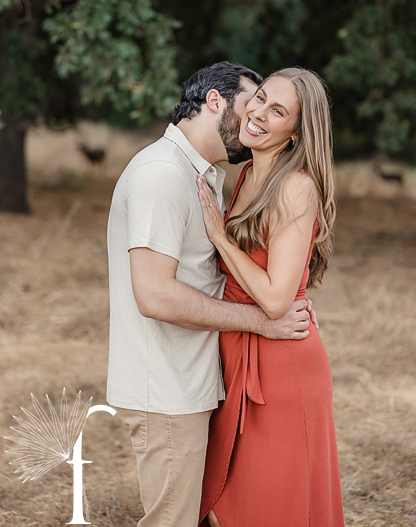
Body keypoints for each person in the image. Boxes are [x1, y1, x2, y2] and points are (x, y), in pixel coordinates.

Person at [107, 62, 314, 527]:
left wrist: (276, 290)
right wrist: (263, 321)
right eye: (251, 104)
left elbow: (211, 274)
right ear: (215, 103)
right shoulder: (161, 174)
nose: (254, 119)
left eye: (270, 108)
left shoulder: (202, 176)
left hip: (194, 382)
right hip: (165, 387)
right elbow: (155, 295)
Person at [197, 68, 344, 527]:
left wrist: (220, 238)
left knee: (273, 505)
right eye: (259, 98)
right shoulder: (244, 176)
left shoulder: (297, 188)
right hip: (238, 352)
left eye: (277, 110)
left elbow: (278, 300)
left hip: (282, 367)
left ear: (297, 130)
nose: (258, 112)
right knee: (234, 500)